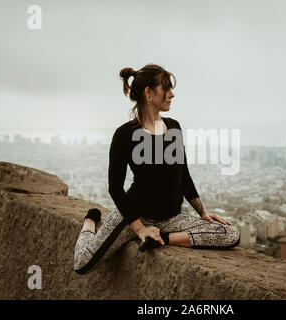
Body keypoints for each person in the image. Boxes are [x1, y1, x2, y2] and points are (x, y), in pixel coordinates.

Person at [74, 63, 240, 275]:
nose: (172, 95)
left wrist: (203, 213)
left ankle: (159, 239)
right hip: (133, 217)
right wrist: (140, 229)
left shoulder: (174, 127)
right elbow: (115, 188)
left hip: (170, 220)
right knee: (83, 263)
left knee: (230, 233)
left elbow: (184, 174)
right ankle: (90, 222)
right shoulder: (125, 134)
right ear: (149, 93)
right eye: (166, 89)